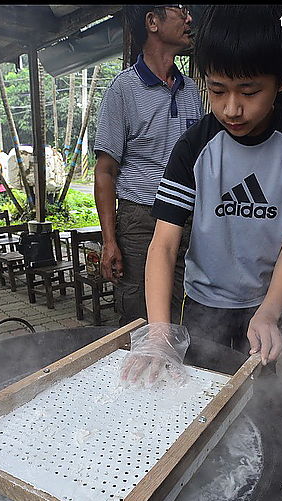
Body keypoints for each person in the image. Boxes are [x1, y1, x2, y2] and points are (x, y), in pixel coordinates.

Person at [121, 5, 282, 386]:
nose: (232, 108)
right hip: (202, 303)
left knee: (257, 393)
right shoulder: (194, 146)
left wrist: (270, 312)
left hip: (265, 301)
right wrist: (157, 334)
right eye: (217, 90)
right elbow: (164, 244)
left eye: (249, 92)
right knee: (200, 390)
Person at [94, 4, 204, 326]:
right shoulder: (123, 90)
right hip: (141, 220)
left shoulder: (191, 92)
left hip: (186, 219)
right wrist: (110, 240)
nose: (189, 18)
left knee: (182, 312)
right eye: (179, 10)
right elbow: (105, 171)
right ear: (152, 22)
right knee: (141, 318)